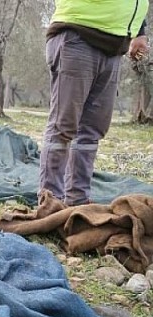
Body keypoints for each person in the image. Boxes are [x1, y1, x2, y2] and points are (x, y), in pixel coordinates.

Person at [40, 0, 149, 206]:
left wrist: (139, 30)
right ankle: (50, 202)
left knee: (92, 131)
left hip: (114, 46)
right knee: (63, 127)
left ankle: (77, 201)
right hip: (77, 34)